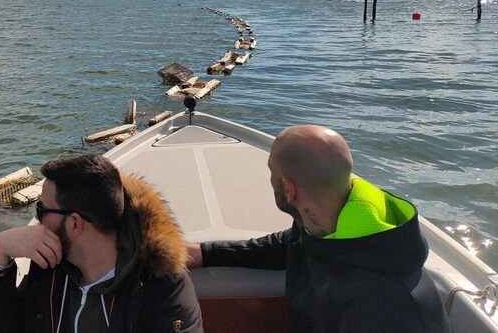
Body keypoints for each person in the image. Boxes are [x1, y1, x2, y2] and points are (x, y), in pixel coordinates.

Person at [187, 125, 451, 333]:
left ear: (289, 190)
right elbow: (289, 245)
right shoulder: (332, 225)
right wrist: (205, 253)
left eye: (271, 171)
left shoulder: (385, 304)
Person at [0, 153, 203, 332]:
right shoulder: (50, 267)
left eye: (41, 209)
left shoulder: (161, 288)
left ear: (74, 223)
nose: (36, 221)